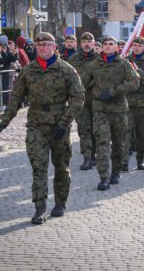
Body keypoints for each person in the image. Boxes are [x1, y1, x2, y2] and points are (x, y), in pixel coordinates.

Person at [0, 32, 84, 224]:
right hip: (36, 125)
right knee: (39, 167)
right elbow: (15, 99)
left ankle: (61, 203)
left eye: (46, 44)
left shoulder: (66, 70)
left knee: (61, 167)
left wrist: (65, 123)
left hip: (59, 125)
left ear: (54, 47)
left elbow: (78, 98)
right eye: (38, 45)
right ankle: (40, 208)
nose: (42, 48)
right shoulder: (29, 71)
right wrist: (4, 122)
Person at [83, 36, 139, 190]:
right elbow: (82, 83)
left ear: (116, 47)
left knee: (119, 144)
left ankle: (116, 171)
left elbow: (135, 82)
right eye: (105, 44)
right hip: (100, 110)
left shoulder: (124, 64)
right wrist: (94, 92)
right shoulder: (94, 65)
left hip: (119, 110)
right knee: (102, 143)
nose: (107, 47)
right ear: (101, 47)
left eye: (111, 44)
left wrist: (114, 91)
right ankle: (104, 177)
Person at [68, 32, 98, 170]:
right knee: (84, 129)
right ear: (80, 43)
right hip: (80, 100)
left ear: (93, 43)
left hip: (97, 100)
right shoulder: (73, 60)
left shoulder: (99, 60)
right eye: (84, 41)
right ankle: (87, 157)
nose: (87, 44)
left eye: (89, 41)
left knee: (96, 129)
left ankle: (94, 154)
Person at [123, 36, 144, 171]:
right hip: (128, 102)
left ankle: (141, 159)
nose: (136, 48)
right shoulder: (125, 60)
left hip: (143, 103)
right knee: (126, 133)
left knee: (142, 133)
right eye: (135, 45)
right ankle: (124, 161)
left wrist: (136, 71)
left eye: (140, 46)